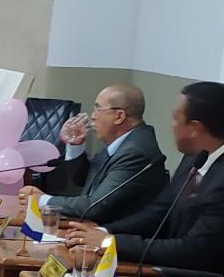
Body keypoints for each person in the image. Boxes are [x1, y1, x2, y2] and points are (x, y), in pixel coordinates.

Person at [61, 80, 224, 277]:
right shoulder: (195, 157)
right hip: (175, 276)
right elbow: (159, 213)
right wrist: (103, 233)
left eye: (175, 118)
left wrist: (110, 242)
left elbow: (193, 251)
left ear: (195, 128)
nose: (171, 125)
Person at [20, 83, 168, 227]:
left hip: (114, 238)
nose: (93, 117)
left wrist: (42, 200)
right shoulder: (125, 141)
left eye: (98, 109)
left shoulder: (136, 151)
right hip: (93, 228)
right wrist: (76, 145)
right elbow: (84, 180)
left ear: (119, 116)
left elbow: (95, 206)